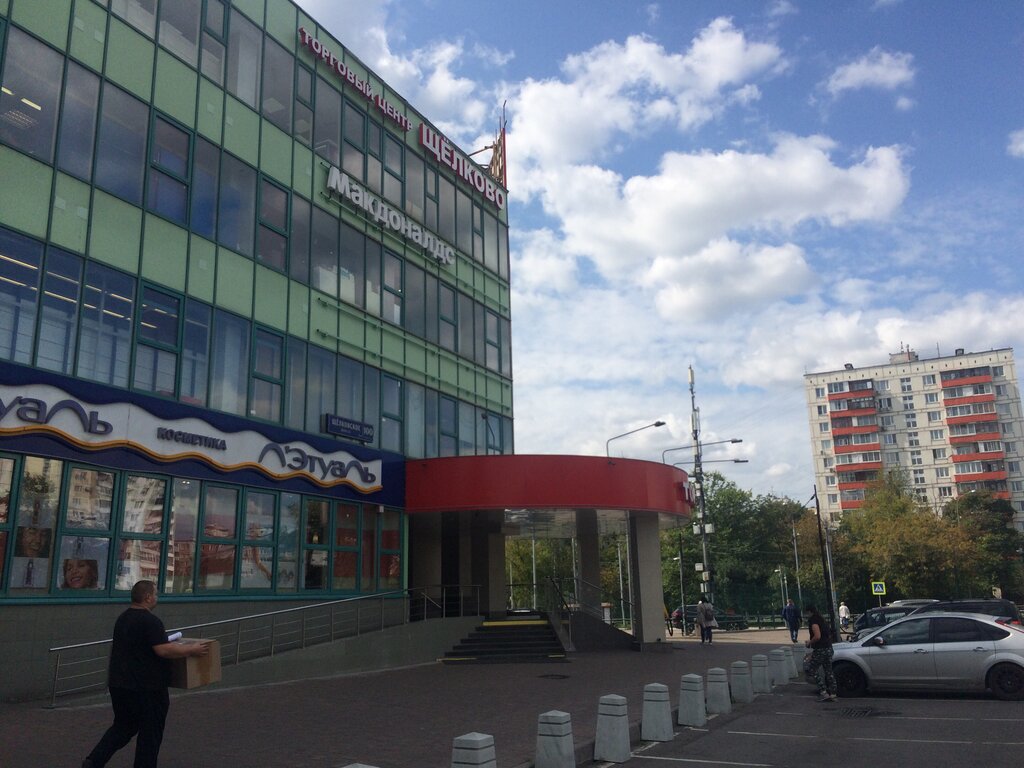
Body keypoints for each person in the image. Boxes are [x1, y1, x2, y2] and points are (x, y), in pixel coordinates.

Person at [82, 580, 209, 768]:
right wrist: (191, 649)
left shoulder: (123, 619)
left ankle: (94, 760)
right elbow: (163, 650)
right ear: (147, 597)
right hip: (148, 687)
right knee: (150, 732)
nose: (157, 598)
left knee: (123, 726)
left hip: (120, 684)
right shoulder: (150, 621)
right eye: (155, 594)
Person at [804, 603, 837, 702]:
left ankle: (823, 691)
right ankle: (833, 693)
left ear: (809, 612)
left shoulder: (813, 621)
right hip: (829, 648)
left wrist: (810, 642)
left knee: (812, 669)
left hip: (820, 649)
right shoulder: (822, 620)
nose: (806, 615)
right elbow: (828, 634)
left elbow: (817, 636)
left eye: (806, 613)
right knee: (829, 671)